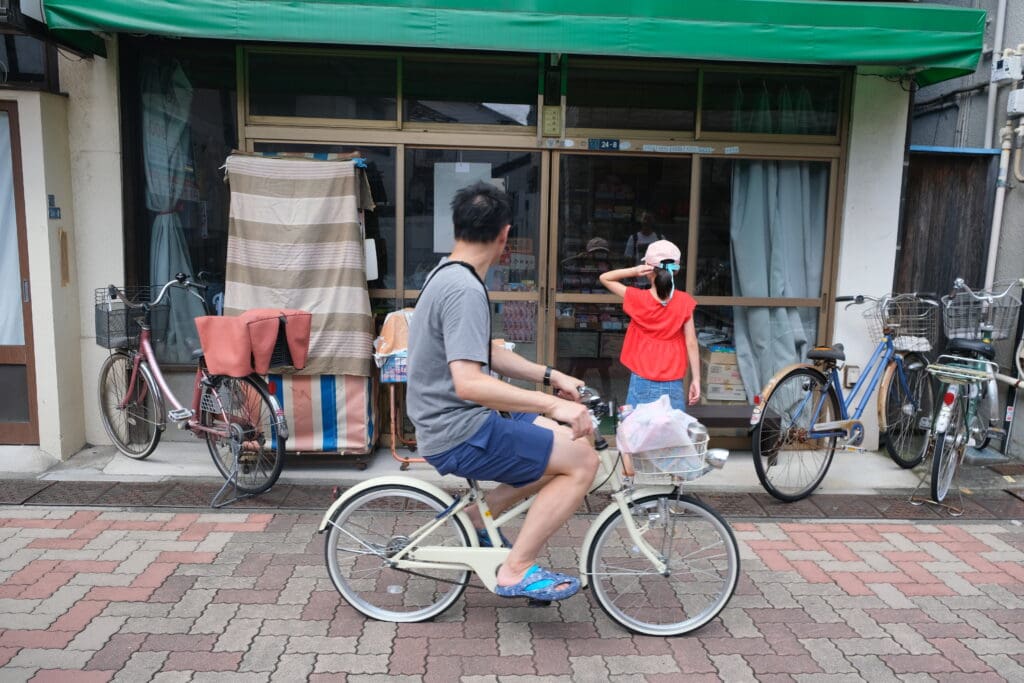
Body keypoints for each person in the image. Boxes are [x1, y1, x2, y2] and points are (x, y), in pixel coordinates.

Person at [407, 181, 598, 602]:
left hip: (456, 422)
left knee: (565, 442)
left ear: (456, 227)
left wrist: (551, 376)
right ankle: (516, 570)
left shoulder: (446, 273)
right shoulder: (464, 289)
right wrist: (552, 403)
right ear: (505, 235)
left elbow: (485, 352)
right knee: (583, 460)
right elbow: (470, 383)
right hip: (459, 430)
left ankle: (479, 516)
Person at [599, 239, 701, 411]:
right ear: (675, 271)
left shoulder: (638, 299)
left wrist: (634, 270)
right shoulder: (684, 301)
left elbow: (605, 278)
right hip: (673, 380)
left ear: (648, 269)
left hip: (642, 378)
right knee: (671, 433)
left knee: (640, 431)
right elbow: (691, 342)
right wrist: (696, 379)